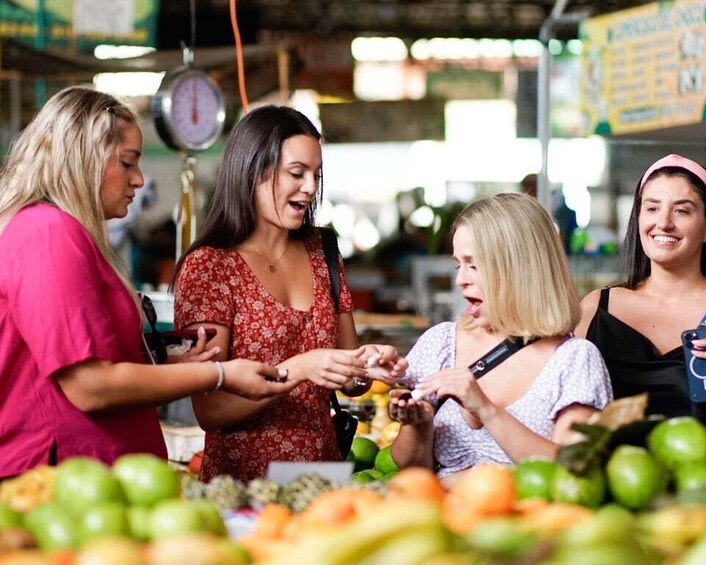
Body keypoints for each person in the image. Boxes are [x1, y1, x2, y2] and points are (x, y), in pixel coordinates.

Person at [0, 87, 297, 479]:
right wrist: (221, 374)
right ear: (83, 159)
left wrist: (162, 362)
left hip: (93, 476)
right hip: (63, 478)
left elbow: (77, 362)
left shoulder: (66, 233)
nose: (139, 180)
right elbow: (89, 384)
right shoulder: (47, 232)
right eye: (127, 163)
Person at [172, 105, 407, 482]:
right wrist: (298, 369)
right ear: (251, 172)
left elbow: (349, 375)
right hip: (244, 486)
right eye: (296, 174)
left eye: (316, 175)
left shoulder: (322, 249)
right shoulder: (210, 267)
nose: (311, 188)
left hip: (322, 477)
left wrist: (367, 367)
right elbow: (210, 408)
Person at [388, 193, 612, 486]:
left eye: (474, 265)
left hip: (523, 524)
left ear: (520, 269)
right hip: (439, 520)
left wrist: (486, 409)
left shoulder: (574, 359)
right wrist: (417, 424)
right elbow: (411, 467)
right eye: (459, 265)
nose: (461, 280)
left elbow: (572, 469)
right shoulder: (442, 343)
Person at [575, 154, 706, 422]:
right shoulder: (595, 308)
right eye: (652, 208)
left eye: (682, 210)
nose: (664, 222)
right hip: (606, 463)